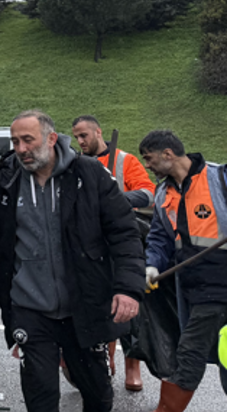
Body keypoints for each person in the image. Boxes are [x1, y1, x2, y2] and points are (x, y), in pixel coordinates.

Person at [0, 110, 144, 412]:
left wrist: (128, 288)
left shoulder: (89, 175)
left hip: (84, 304)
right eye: (15, 142)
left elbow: (125, 234)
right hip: (29, 308)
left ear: (51, 139)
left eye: (28, 140)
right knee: (40, 394)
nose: (21, 149)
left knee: (97, 394)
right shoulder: (5, 182)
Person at [139, 130, 227, 412]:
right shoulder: (164, 192)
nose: (147, 166)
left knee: (189, 355)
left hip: (218, 288)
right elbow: (159, 238)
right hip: (189, 289)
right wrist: (152, 264)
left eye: (149, 159)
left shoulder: (219, 178)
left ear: (168, 154)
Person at [71, 114, 154, 392]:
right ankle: (104, 360)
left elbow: (148, 192)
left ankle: (133, 364)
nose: (80, 141)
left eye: (84, 135)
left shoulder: (124, 161)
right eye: (76, 137)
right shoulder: (75, 164)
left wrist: (114, 199)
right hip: (91, 246)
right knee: (97, 305)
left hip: (121, 241)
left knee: (128, 305)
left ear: (98, 132)